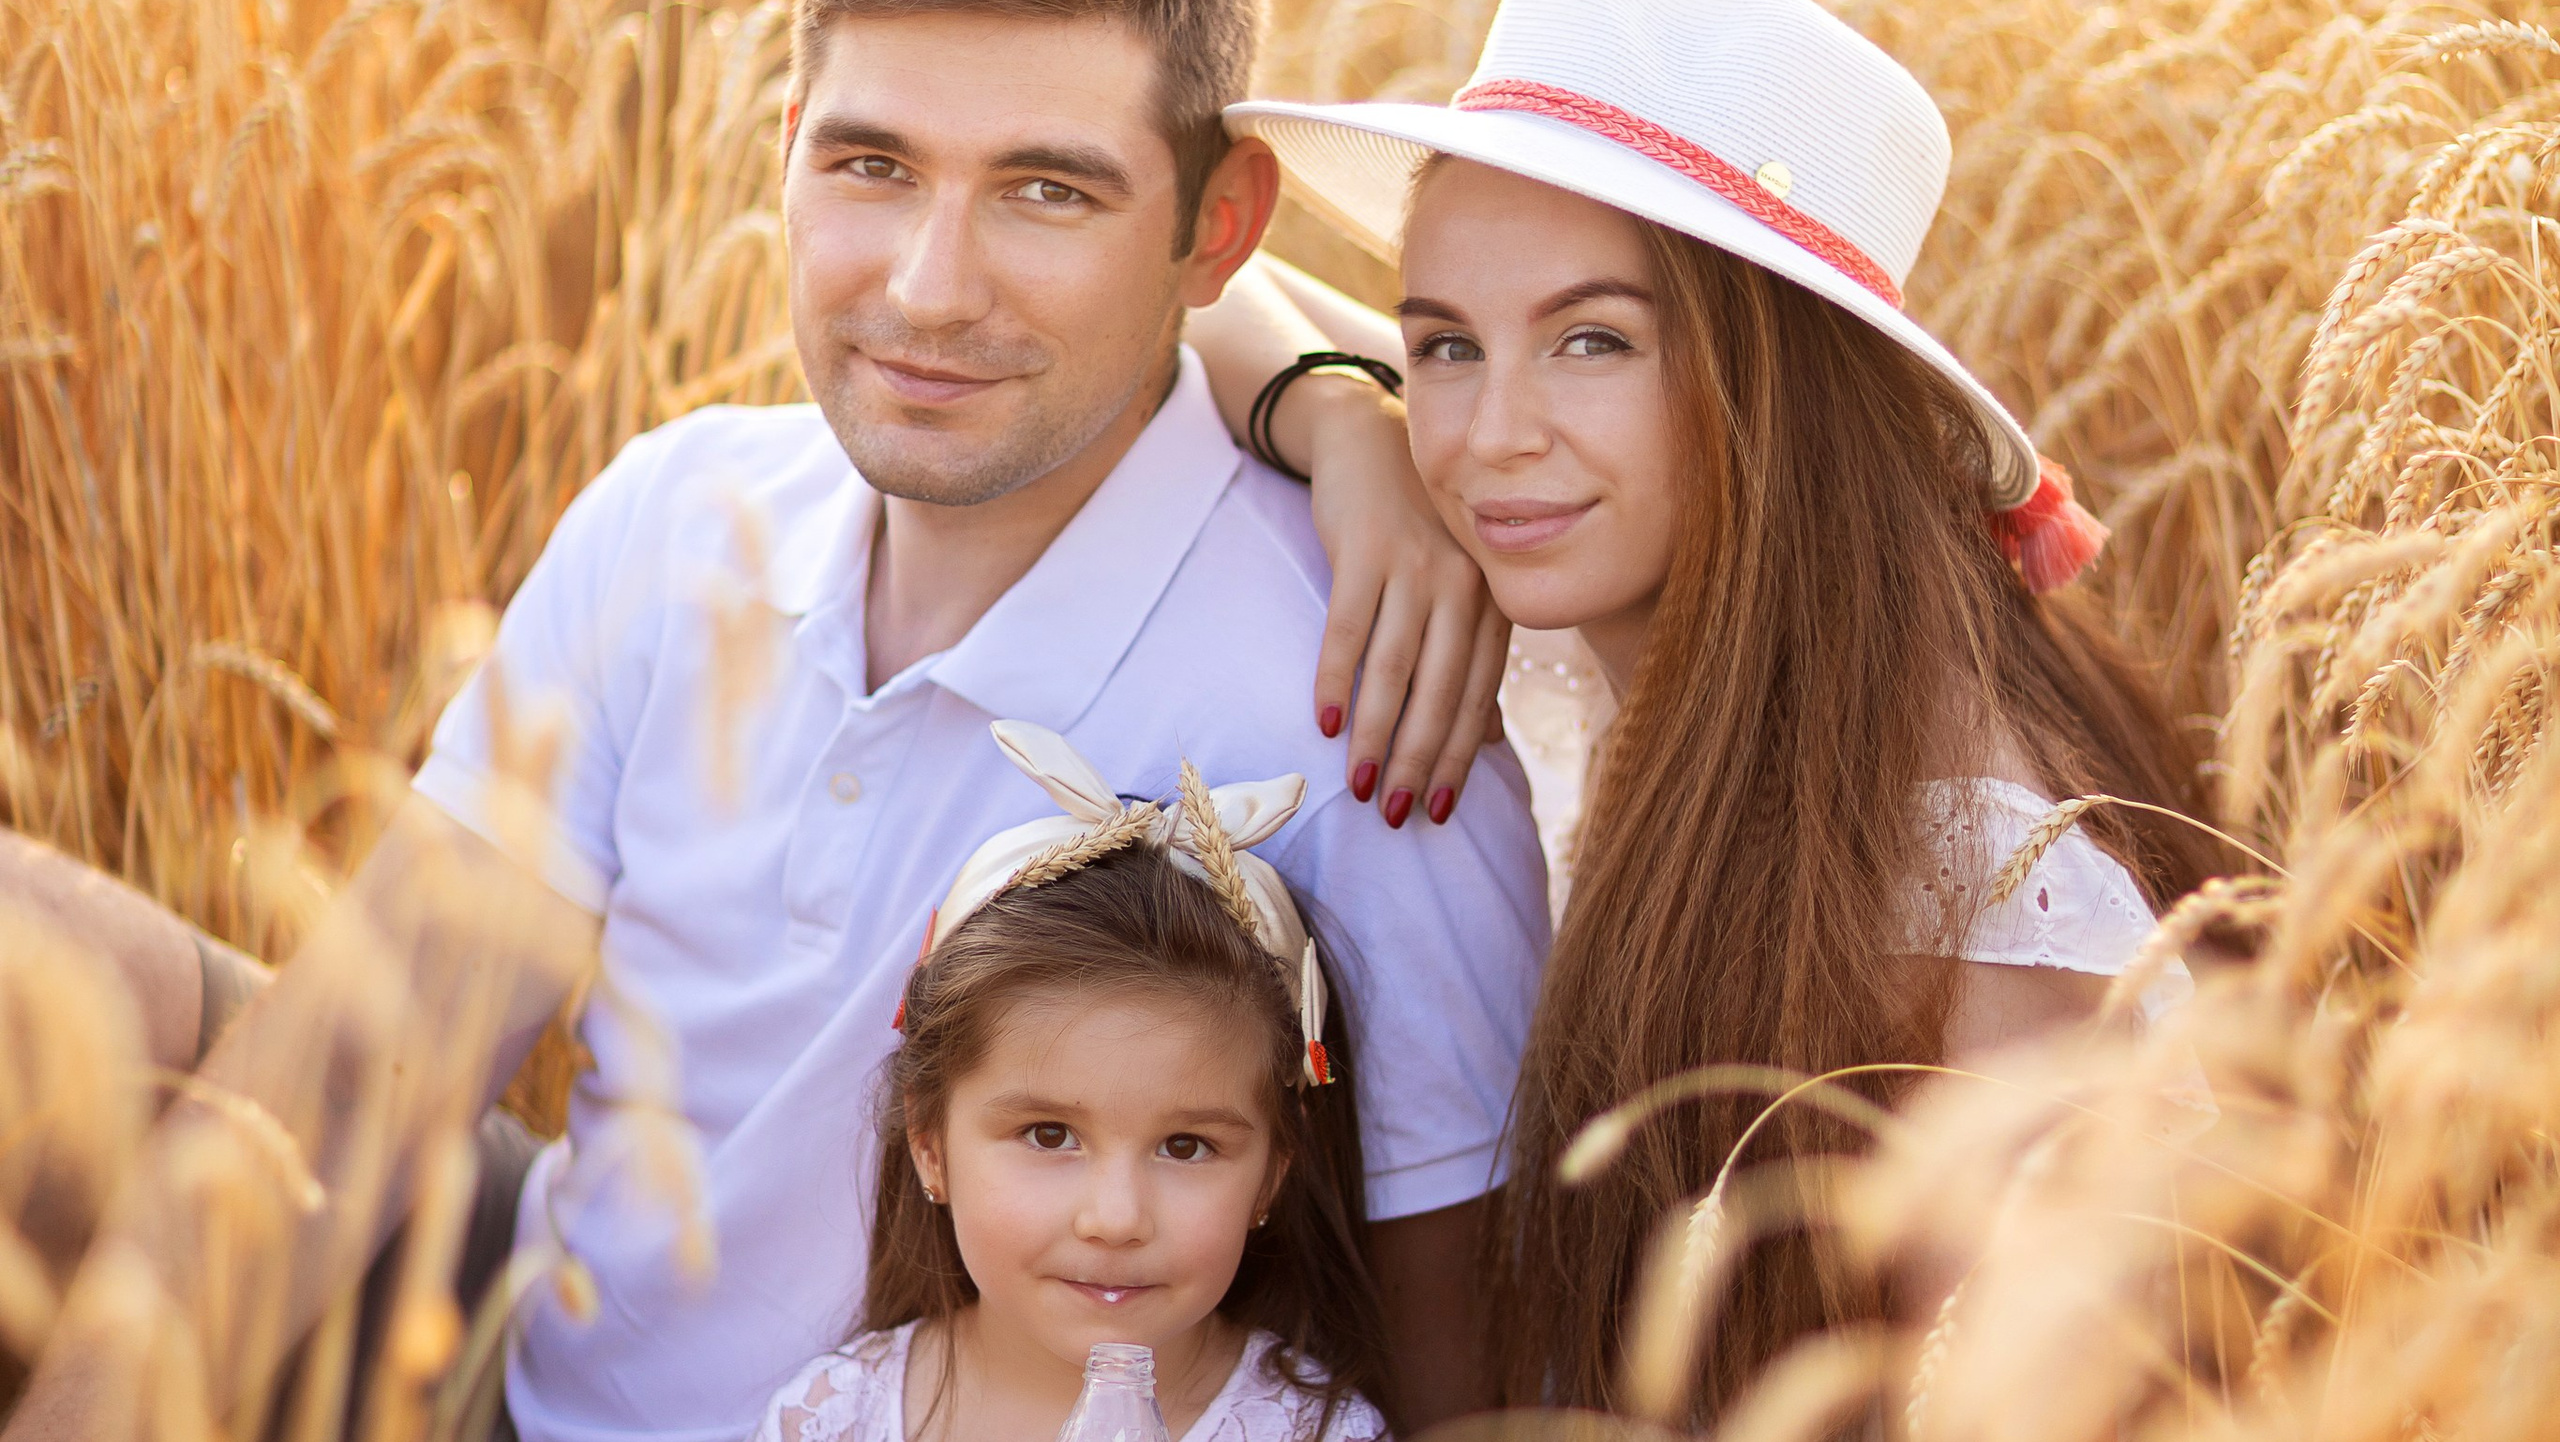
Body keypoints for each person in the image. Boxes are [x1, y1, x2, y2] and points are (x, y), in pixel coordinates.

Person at [1, 0, 1549, 1436]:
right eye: (874, 165)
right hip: (517, 1339)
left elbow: (1443, 1385)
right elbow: (354, 1073)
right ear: (790, 148)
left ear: (1217, 229)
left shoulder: (1365, 709)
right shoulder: (680, 515)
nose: (928, 288)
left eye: (1047, 192)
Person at [1223, 0, 2226, 1419]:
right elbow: (1196, 295)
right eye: (1443, 346)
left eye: (1593, 343)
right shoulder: (1691, 672)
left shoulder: (1970, 888)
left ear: (1779, 377)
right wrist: (1343, 422)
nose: (1487, 434)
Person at [755, 722, 1389, 1442]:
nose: (1115, 1220)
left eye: (1186, 1146)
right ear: (930, 1145)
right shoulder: (832, 1418)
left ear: (1274, 1174)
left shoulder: (1317, 1435)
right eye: (1048, 1135)